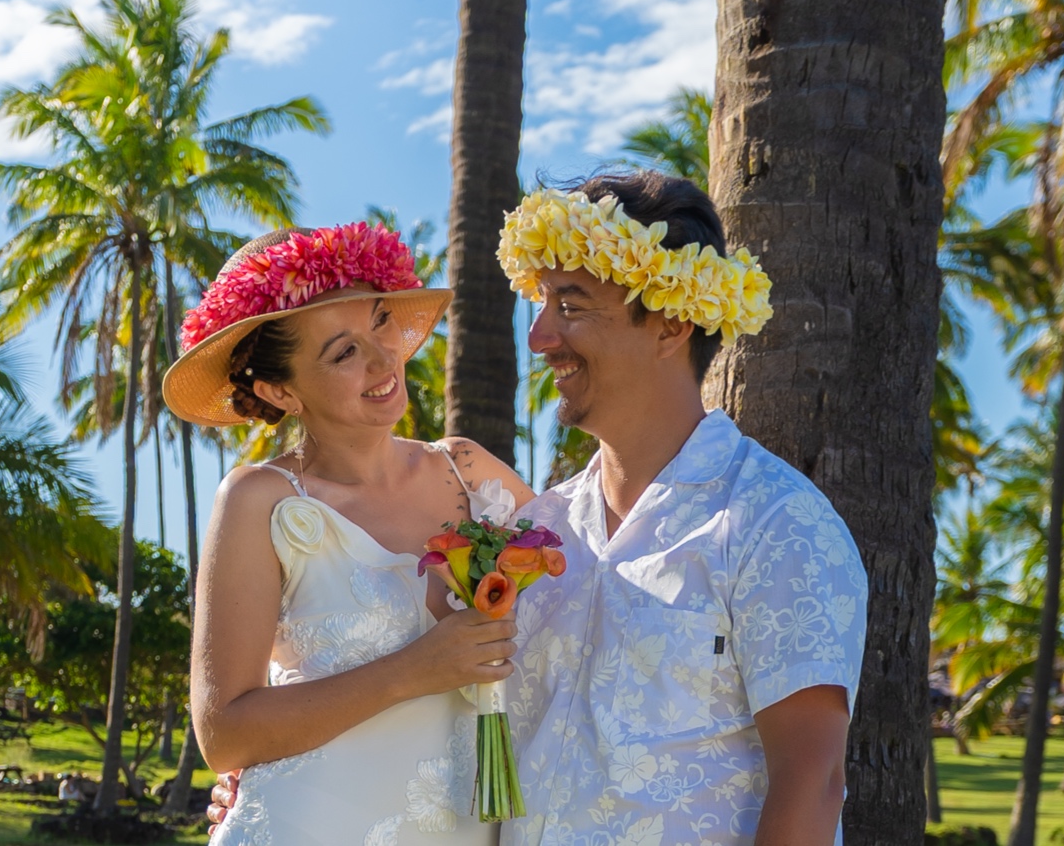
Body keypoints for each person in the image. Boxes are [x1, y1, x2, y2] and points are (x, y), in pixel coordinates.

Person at [210, 172, 868, 845]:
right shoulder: (537, 532)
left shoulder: (774, 521)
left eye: (570, 306)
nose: (539, 336)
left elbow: (813, 781)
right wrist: (273, 783)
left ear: (670, 323)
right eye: (543, 303)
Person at [167, 223, 534, 846]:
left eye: (381, 322)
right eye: (343, 353)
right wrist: (413, 670)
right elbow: (224, 733)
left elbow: (588, 601)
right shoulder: (261, 501)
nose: (384, 358)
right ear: (279, 389)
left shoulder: (470, 472)